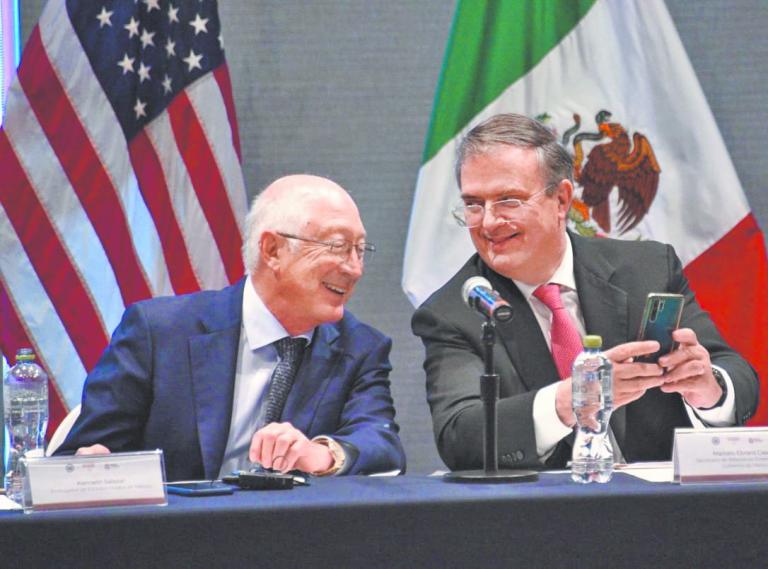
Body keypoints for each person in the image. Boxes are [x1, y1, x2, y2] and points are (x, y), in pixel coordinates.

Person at [412, 113, 759, 470]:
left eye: (508, 201)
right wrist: (571, 401)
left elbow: (738, 375)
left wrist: (709, 389)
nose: (487, 222)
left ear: (561, 200)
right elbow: (461, 437)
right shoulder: (454, 311)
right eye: (473, 204)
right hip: (547, 518)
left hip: (663, 512)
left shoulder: (647, 269)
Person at [57, 175, 406, 480]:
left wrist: (321, 454)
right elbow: (76, 459)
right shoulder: (159, 333)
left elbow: (382, 441)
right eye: (338, 246)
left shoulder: (360, 347)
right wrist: (92, 466)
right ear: (272, 250)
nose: (355, 269)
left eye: (360, 250)